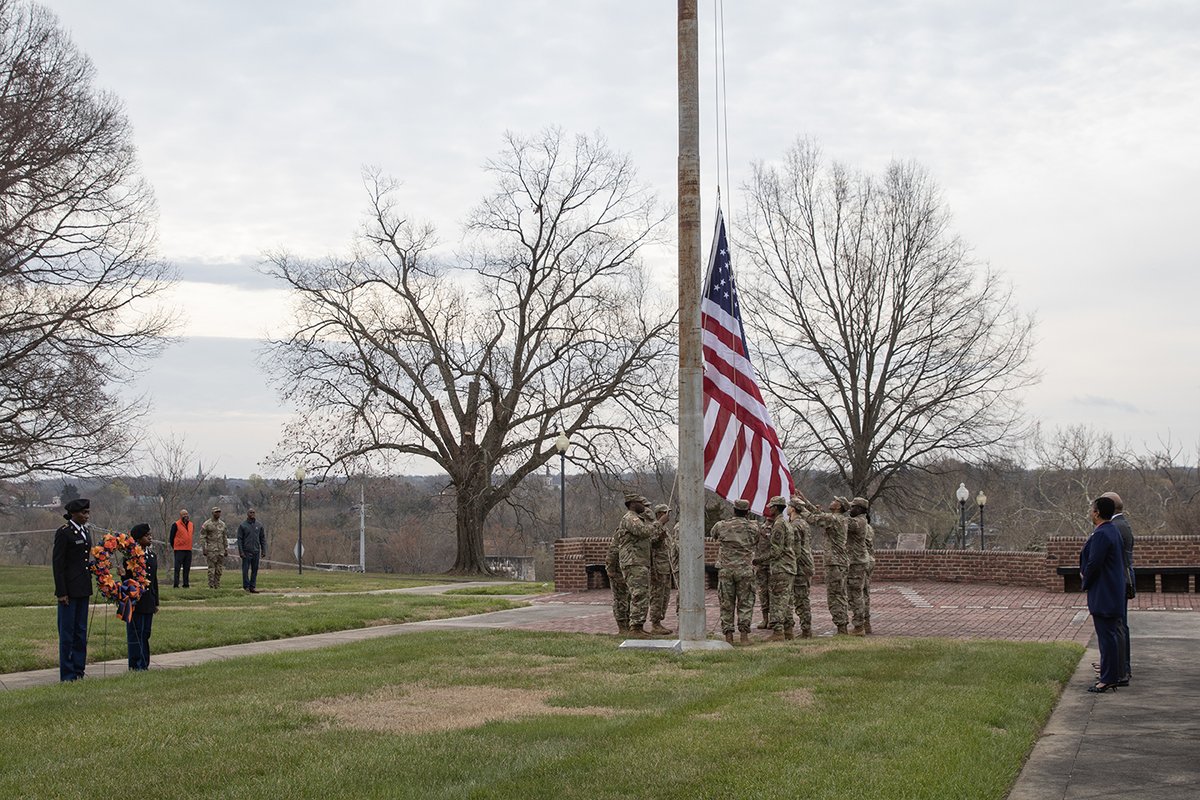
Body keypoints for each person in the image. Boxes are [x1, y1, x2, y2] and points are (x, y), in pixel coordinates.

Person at [1080, 495, 1126, 693]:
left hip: (1104, 593)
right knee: (1110, 635)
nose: (1091, 512)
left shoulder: (1101, 534)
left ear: (1097, 513)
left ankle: (1107, 678)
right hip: (1113, 591)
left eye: (1092, 509)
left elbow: (1094, 563)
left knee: (1106, 637)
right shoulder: (1112, 531)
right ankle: (1111, 674)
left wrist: (1085, 581)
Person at [52, 498, 93, 682]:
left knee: (80, 632)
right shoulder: (64, 533)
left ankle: (79, 670)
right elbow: (58, 564)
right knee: (67, 633)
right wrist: (61, 592)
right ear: (74, 514)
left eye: (87, 513)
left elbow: (83, 561)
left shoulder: (85, 532)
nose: (86, 516)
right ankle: (67, 674)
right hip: (69, 591)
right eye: (83, 513)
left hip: (83, 588)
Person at [710, 499, 758, 645]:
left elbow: (713, 536)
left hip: (726, 570)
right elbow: (756, 540)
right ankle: (744, 636)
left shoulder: (721, 525)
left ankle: (728, 637)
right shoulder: (753, 528)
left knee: (726, 603)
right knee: (745, 603)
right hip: (744, 570)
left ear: (733, 510)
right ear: (748, 512)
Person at [617, 493, 662, 638]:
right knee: (638, 594)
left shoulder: (638, 519)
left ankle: (638, 626)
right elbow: (643, 532)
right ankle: (635, 628)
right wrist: (659, 523)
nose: (644, 506)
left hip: (639, 561)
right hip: (633, 561)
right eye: (641, 503)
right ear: (632, 504)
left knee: (642, 593)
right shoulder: (630, 518)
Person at [803, 496, 850, 634]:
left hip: (835, 562)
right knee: (839, 593)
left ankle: (842, 627)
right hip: (838, 562)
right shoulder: (836, 518)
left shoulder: (834, 519)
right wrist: (806, 501)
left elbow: (813, 519)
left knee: (835, 595)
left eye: (835, 501)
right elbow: (819, 515)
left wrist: (799, 507)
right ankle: (842, 626)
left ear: (839, 506)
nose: (832, 501)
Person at [754, 496, 797, 642]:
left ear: (776, 508)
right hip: (789, 567)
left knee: (778, 600)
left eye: (771, 506)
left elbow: (776, 551)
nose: (769, 509)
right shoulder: (787, 523)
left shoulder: (778, 524)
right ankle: (789, 631)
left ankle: (778, 632)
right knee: (787, 600)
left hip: (781, 567)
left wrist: (758, 560)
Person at [1102, 491, 1134, 686]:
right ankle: (1122, 667)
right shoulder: (1123, 524)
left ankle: (1120, 671)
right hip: (1124, 578)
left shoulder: (1116, 527)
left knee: (1118, 626)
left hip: (1119, 581)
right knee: (1121, 625)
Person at [126, 524, 159, 671]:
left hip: (148, 600)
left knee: (146, 633)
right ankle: (135, 664)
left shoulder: (152, 555)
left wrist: (156, 601)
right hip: (136, 601)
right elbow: (127, 579)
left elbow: (154, 581)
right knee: (136, 633)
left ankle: (144, 663)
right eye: (147, 535)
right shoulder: (131, 557)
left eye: (150, 535)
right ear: (139, 539)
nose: (150, 537)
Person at [846, 496, 873, 636]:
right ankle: (864, 624)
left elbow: (841, 522)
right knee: (861, 594)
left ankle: (859, 626)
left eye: (853, 507)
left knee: (856, 595)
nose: (850, 509)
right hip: (859, 561)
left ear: (860, 509)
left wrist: (842, 505)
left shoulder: (859, 522)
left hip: (857, 562)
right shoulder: (862, 521)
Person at [790, 498, 815, 638]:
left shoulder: (796, 525)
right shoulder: (803, 523)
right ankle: (806, 628)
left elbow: (796, 548)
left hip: (801, 565)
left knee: (801, 598)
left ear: (793, 508)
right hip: (806, 563)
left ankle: (806, 630)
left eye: (789, 506)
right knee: (802, 597)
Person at [647, 503, 674, 635]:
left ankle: (659, 621)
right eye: (665, 513)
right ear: (659, 514)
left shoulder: (666, 529)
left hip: (666, 567)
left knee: (665, 596)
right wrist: (659, 527)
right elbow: (650, 540)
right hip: (658, 568)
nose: (668, 516)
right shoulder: (653, 526)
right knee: (657, 596)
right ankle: (655, 623)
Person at [605, 522, 629, 634]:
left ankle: (628, 625)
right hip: (618, 574)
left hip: (626, 573)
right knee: (620, 600)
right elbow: (612, 553)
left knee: (628, 600)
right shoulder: (619, 536)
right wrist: (612, 572)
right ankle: (622, 627)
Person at [236, 508, 267, 593]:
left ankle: (252, 587)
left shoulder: (259, 525)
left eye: (253, 512)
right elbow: (239, 539)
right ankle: (246, 586)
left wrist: (264, 550)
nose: (252, 514)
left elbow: (262, 539)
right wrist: (241, 552)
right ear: (247, 514)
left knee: (255, 569)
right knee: (245, 570)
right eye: (250, 512)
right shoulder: (243, 525)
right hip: (246, 551)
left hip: (256, 551)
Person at [200, 507, 227, 589]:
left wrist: (226, 548)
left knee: (219, 569)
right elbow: (202, 537)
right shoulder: (207, 524)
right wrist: (204, 548)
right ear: (213, 513)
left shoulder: (222, 524)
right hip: (211, 550)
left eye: (219, 512)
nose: (218, 514)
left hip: (220, 550)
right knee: (212, 569)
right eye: (216, 512)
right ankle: (211, 585)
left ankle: (217, 585)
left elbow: (224, 537)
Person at [753, 516, 772, 629]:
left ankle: (773, 619)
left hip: (772, 564)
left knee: (773, 592)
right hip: (761, 565)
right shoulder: (760, 528)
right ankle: (765, 618)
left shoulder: (778, 526)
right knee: (763, 592)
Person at [169, 508, 193, 588]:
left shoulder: (191, 524)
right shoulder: (176, 524)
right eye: (184, 514)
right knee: (177, 568)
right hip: (179, 550)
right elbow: (171, 538)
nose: (186, 516)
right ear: (180, 516)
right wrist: (175, 546)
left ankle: (186, 584)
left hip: (188, 549)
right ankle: (176, 584)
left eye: (186, 514)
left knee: (187, 568)